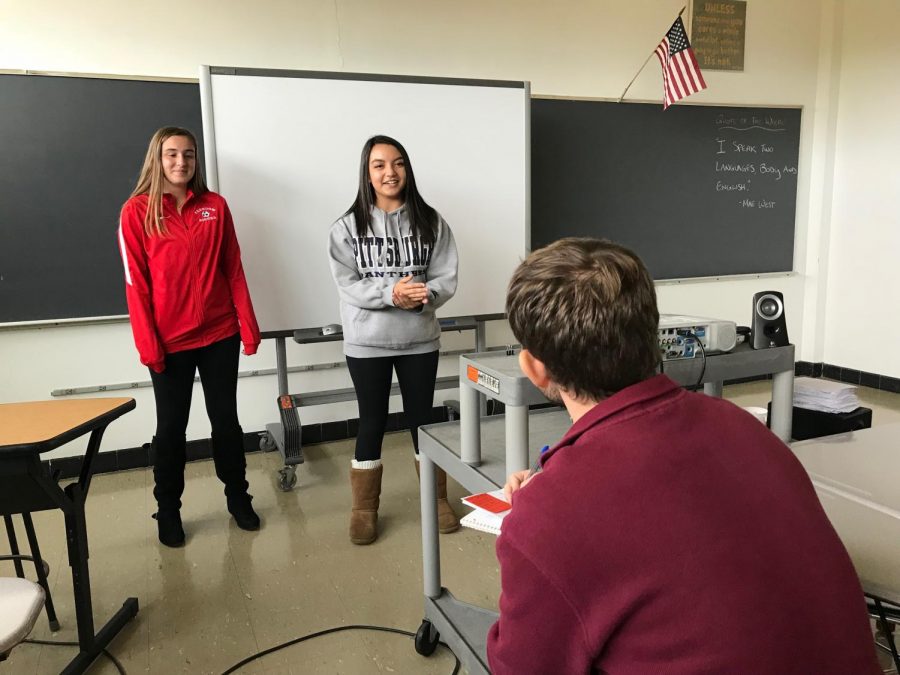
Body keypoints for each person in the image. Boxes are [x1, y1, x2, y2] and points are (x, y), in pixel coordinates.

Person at [487, 237, 880, 674]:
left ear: (534, 367)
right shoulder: (743, 426)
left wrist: (538, 522)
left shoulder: (549, 517)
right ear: (648, 336)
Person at [118, 126, 262, 548]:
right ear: (157, 159)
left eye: (189, 155)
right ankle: (168, 510)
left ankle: (238, 498)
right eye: (172, 155)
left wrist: (248, 326)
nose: (182, 162)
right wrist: (150, 345)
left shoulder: (215, 207)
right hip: (169, 343)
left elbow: (233, 267)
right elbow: (136, 285)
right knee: (171, 430)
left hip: (219, 334)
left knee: (226, 423)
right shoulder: (137, 212)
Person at [328, 135, 460, 545]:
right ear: (367, 174)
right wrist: (391, 295)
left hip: (419, 339)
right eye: (380, 165)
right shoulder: (347, 226)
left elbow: (446, 276)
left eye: (398, 163)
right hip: (367, 343)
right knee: (373, 421)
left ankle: (436, 499)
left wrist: (425, 296)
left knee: (423, 419)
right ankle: (364, 509)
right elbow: (346, 284)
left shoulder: (432, 222)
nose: (390, 172)